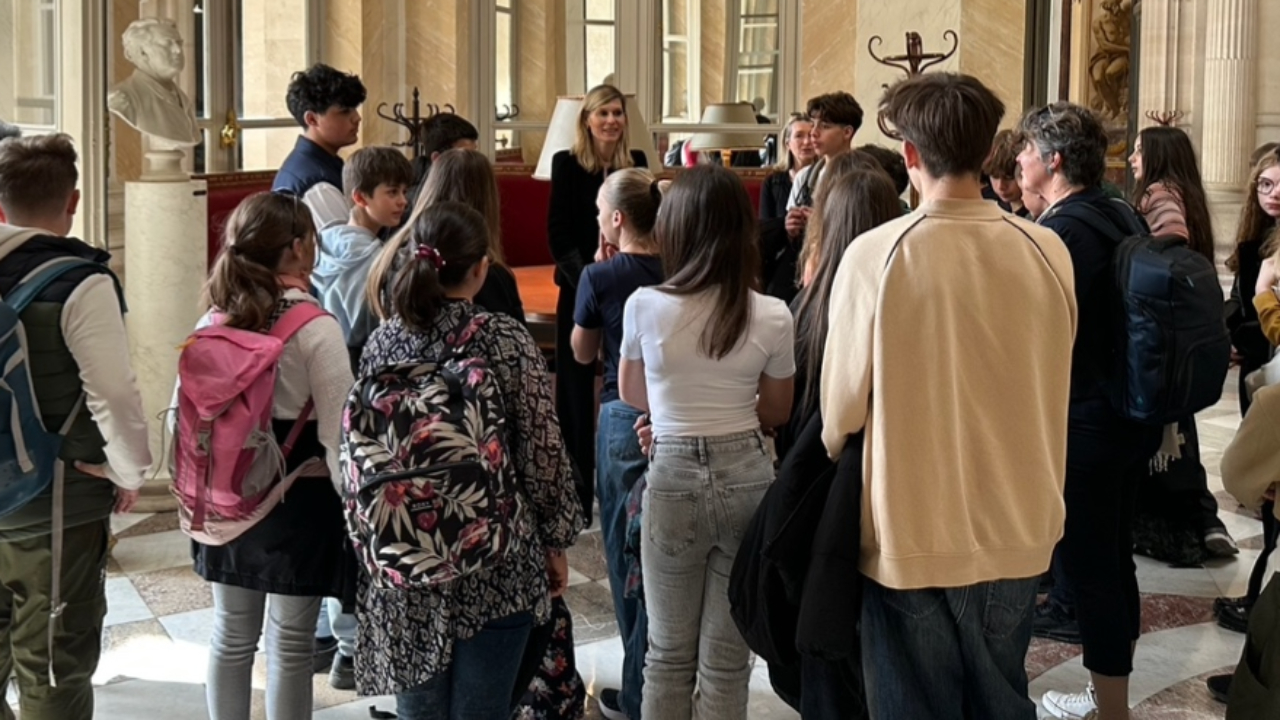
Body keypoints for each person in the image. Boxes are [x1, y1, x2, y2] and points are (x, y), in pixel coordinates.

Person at [820, 74, 1076, 720]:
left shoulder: (874, 253)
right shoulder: (1048, 248)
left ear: (909, 155)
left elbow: (840, 413)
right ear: (990, 151)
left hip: (912, 528)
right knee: (1002, 700)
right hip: (1021, 523)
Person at [357, 202, 584, 720]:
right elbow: (543, 451)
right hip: (497, 556)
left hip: (407, 557)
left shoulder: (383, 342)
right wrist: (556, 540)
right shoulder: (504, 339)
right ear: (481, 268)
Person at [619, 164, 795, 720]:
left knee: (667, 656)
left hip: (671, 474)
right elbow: (776, 411)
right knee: (726, 662)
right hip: (747, 475)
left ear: (675, 229)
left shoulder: (644, 304)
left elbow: (631, 391)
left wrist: (671, 412)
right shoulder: (771, 313)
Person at [1019, 103, 1165, 720]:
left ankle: (1111, 710)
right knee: (1111, 560)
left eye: (1026, 150)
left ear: (1053, 161)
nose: (1018, 160)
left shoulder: (1065, 233)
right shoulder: (1116, 210)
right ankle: (1112, 699)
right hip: (1128, 417)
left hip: (1087, 425)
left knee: (1092, 568)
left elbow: (1039, 333)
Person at [185, 192, 353, 720]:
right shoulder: (315, 328)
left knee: (230, 637)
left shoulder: (213, 322)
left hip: (225, 496)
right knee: (290, 645)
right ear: (299, 247)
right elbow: (339, 434)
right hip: (296, 499)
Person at [0, 133, 151, 720]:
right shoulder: (81, 281)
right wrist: (128, 469)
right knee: (53, 666)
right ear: (75, 201)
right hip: (57, 499)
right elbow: (113, 392)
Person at [308, 145, 413, 687]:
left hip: (333, 396)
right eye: (391, 192)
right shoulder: (373, 256)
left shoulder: (323, 246)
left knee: (348, 518)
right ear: (359, 198)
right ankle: (352, 644)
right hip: (360, 395)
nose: (402, 200)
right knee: (361, 523)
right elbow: (362, 330)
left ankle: (342, 638)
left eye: (404, 190)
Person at [570, 168, 665, 720]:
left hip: (622, 414)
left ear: (617, 219)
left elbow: (583, 355)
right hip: (680, 413)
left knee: (623, 556)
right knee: (663, 557)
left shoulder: (600, 277)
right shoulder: (685, 265)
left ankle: (636, 691)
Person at [1125, 125, 1238, 563]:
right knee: (1179, 430)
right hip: (1184, 328)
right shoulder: (1186, 191)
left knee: (1167, 435)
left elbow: (1170, 246)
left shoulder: (1160, 193)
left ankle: (1189, 525)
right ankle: (1204, 520)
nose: (1133, 158)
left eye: (1138, 151)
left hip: (1162, 327)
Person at [547, 84, 647, 524]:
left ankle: (626, 481)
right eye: (602, 113)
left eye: (617, 113)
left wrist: (616, 273)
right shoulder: (566, 165)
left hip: (632, 288)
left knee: (628, 380)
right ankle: (577, 492)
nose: (611, 120)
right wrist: (591, 277)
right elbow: (558, 233)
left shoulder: (638, 164)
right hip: (580, 285)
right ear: (587, 120)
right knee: (574, 387)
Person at [1213, 147, 1280, 641]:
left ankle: (1262, 610)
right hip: (1258, 369)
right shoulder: (1256, 236)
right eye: (1265, 185)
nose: (1273, 194)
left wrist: (1260, 299)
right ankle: (1258, 603)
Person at [375, 148, 524, 323]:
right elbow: (518, 341)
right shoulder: (486, 273)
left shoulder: (395, 257)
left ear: (431, 187)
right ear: (489, 198)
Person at [273, 64, 367, 232]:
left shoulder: (322, 162)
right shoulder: (317, 185)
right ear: (312, 119)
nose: (357, 118)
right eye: (345, 111)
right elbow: (347, 251)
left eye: (355, 109)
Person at [107, 18, 199, 146]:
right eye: (167, 44)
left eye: (179, 43)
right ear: (142, 53)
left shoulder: (182, 99)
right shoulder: (123, 99)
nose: (178, 50)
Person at [784, 92, 863, 242]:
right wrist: (792, 228)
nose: (814, 133)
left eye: (825, 126)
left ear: (847, 132)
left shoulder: (862, 177)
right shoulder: (804, 177)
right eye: (813, 125)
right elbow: (792, 240)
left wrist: (821, 223)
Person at [758, 115, 816, 301]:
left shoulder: (826, 177)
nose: (807, 142)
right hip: (781, 253)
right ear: (787, 143)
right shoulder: (772, 182)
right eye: (799, 136)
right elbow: (764, 227)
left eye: (810, 135)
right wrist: (787, 228)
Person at [403, 113, 481, 224]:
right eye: (465, 155)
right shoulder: (411, 203)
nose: (474, 161)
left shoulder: (469, 186)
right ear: (437, 158)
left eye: (475, 153)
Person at [984, 129, 1029, 217]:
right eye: (995, 176)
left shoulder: (1033, 215)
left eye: (1008, 178)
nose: (1001, 186)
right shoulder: (996, 209)